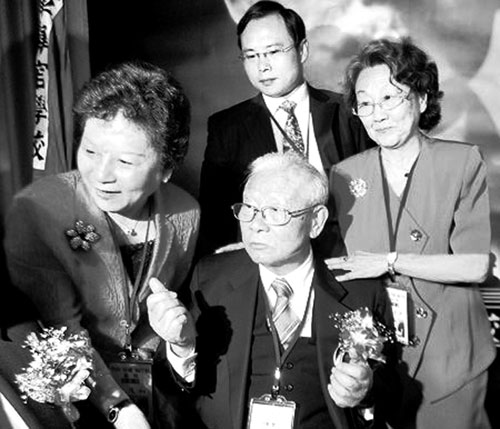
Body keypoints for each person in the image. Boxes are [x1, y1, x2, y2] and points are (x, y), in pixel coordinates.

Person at [4, 61, 200, 429]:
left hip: (154, 391)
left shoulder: (185, 212)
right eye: (91, 152)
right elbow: (63, 328)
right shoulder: (39, 210)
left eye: (125, 161)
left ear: (166, 168)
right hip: (71, 397)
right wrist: (119, 408)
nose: (101, 174)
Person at [148, 152, 406, 428]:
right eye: (248, 208)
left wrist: (365, 390)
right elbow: (178, 390)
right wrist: (181, 346)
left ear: (316, 221)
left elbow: (390, 388)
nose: (256, 225)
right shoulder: (213, 278)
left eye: (275, 212)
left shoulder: (358, 290)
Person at [328, 37, 496, 429]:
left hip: (452, 358)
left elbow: (474, 266)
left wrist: (390, 262)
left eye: (390, 98)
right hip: (380, 361)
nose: (377, 114)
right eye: (365, 103)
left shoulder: (461, 162)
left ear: (421, 99)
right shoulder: (345, 175)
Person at [197, 0, 373, 257]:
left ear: (302, 50)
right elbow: (216, 220)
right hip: (270, 262)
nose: (263, 66)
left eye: (273, 51)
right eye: (251, 55)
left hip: (347, 254)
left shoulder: (348, 111)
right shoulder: (227, 127)